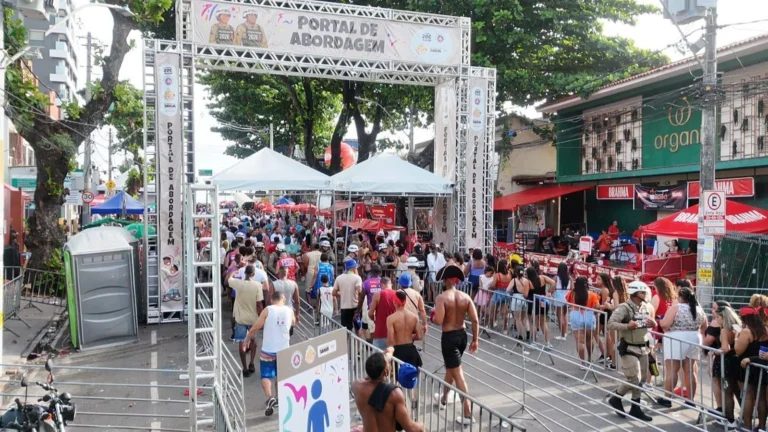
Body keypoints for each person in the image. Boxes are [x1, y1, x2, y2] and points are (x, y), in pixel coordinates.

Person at [432, 265, 479, 425]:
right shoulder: (465, 296)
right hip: (462, 336)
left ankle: (467, 412)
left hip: (449, 337)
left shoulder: (442, 298)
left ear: (445, 281)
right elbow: (475, 319)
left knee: (458, 374)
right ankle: (444, 398)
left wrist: (432, 317)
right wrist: (475, 339)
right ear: (456, 281)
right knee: (452, 369)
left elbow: (438, 320)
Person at [606, 281, 655, 422]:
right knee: (634, 379)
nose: (645, 294)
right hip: (629, 347)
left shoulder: (645, 306)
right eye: (642, 292)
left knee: (642, 380)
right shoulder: (624, 308)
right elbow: (611, 323)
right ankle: (616, 397)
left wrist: (653, 323)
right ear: (635, 293)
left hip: (643, 346)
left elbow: (647, 322)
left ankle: (635, 407)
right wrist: (627, 326)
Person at [245, 291, 296, 416]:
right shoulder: (289, 310)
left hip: (268, 350)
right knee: (281, 375)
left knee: (266, 376)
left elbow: (256, 326)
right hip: (284, 349)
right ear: (283, 299)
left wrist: (247, 339)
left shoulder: (268, 310)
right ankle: (279, 399)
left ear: (272, 300)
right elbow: (294, 322)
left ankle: (269, 398)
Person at [656, 287, 707, 407]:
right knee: (690, 369)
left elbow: (665, 324)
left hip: (676, 338)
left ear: (681, 297)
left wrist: (660, 322)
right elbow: (705, 326)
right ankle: (690, 399)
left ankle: (667, 398)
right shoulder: (699, 309)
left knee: (672, 369)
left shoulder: (676, 308)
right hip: (694, 337)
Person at [352, 352, 424, 432]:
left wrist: (383, 359)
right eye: (388, 363)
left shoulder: (356, 386)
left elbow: (370, 377)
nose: (390, 364)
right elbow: (411, 428)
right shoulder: (394, 394)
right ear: (385, 372)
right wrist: (421, 425)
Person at [704, 301, 741, 427]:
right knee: (736, 390)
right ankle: (742, 417)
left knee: (727, 392)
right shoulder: (737, 327)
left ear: (724, 317)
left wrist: (715, 352)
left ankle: (730, 419)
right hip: (735, 362)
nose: (717, 320)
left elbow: (725, 349)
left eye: (718, 317)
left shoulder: (725, 330)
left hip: (724, 363)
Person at [736, 305, 768, 430]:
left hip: (748, 366)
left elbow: (738, 350)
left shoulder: (746, 332)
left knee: (748, 396)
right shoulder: (765, 329)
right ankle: (761, 426)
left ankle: (748, 426)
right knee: (761, 398)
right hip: (761, 366)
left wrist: (737, 335)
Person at [229, 265, 265, 377]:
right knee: (253, 341)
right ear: (253, 274)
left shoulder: (238, 283)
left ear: (245, 273)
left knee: (242, 342)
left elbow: (228, 280)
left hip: (240, 318)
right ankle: (252, 363)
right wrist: (262, 317)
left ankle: (244, 368)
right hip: (253, 319)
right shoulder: (258, 285)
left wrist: (232, 273)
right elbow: (259, 304)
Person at [566, 277, 601, 368]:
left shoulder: (572, 294)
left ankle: (583, 363)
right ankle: (590, 358)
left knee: (579, 341)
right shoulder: (592, 295)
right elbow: (597, 306)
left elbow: (568, 302)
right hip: (589, 315)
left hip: (576, 315)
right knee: (589, 339)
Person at [387, 289, 424, 370]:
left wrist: (389, 354)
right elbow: (420, 336)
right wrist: (410, 337)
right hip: (411, 350)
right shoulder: (413, 317)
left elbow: (390, 340)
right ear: (405, 302)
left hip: (398, 351)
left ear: (394, 302)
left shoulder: (391, 319)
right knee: (411, 377)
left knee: (398, 378)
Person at [528, 266, 555, 348]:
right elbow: (553, 282)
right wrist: (549, 292)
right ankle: (548, 343)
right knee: (543, 322)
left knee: (535, 323)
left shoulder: (529, 282)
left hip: (536, 302)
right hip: (544, 301)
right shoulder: (542, 278)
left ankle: (533, 342)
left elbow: (526, 293)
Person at [333, 259, 363, 332]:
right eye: (355, 267)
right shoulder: (357, 278)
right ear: (352, 268)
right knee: (358, 328)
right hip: (356, 307)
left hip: (344, 308)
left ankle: (347, 343)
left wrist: (342, 293)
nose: (356, 269)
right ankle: (358, 344)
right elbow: (359, 291)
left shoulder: (339, 278)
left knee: (346, 331)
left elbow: (334, 293)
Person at [368, 277, 398, 350]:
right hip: (394, 334)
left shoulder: (377, 294)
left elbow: (370, 313)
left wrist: (375, 320)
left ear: (382, 285)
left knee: (378, 359)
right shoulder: (397, 294)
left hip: (380, 332)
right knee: (393, 359)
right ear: (390, 284)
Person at [358, 265, 383, 341]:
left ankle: (372, 346)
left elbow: (361, 298)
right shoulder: (385, 282)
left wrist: (358, 311)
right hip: (382, 310)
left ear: (371, 273)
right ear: (380, 273)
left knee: (372, 331)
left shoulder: (366, 283)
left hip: (371, 310)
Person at [398, 273, 428, 337]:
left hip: (401, 321)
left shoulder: (397, 293)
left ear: (400, 283)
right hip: (413, 321)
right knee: (410, 339)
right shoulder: (416, 293)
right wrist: (425, 324)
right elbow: (422, 310)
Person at [507, 265, 531, 342]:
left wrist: (511, 293)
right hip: (524, 300)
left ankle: (520, 335)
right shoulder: (527, 281)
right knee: (524, 318)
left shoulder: (514, 280)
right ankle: (528, 332)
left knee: (518, 319)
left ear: (516, 273)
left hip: (516, 299)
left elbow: (508, 290)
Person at [552, 263, 572, 341]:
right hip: (566, 298)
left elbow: (552, 287)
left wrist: (550, 292)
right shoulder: (569, 278)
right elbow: (572, 288)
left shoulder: (556, 278)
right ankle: (564, 333)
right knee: (563, 315)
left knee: (560, 316)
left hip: (558, 298)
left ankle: (562, 335)